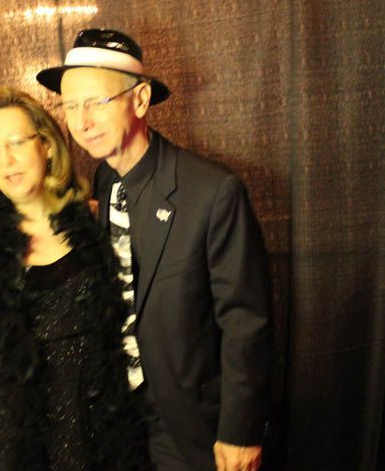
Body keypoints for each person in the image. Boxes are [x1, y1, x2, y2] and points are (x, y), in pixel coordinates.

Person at [36, 29, 273, 471]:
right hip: (119, 420)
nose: (81, 121)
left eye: (96, 102)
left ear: (140, 100)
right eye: (70, 106)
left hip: (188, 424)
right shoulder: (103, 183)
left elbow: (246, 322)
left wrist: (240, 430)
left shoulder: (212, 192)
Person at [0, 87, 149, 471]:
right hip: (16, 435)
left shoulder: (95, 218)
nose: (6, 160)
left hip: (97, 425)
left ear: (47, 146)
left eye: (17, 142)